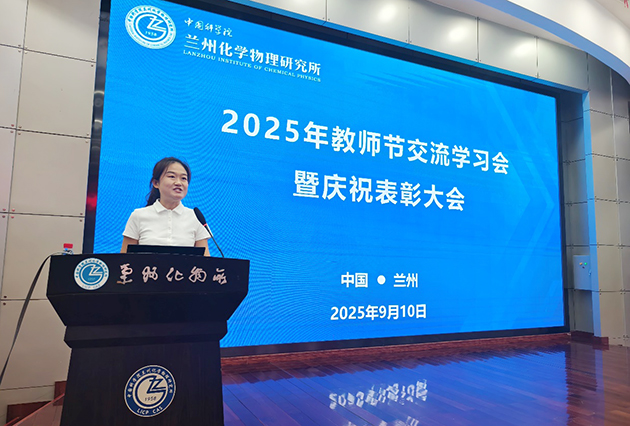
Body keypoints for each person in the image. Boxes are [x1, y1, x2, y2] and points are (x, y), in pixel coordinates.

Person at [121, 157, 210, 255]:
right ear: (156, 183)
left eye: (183, 178)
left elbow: (205, 261)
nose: (178, 183)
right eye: (172, 176)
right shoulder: (138, 216)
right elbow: (124, 259)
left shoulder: (196, 218)